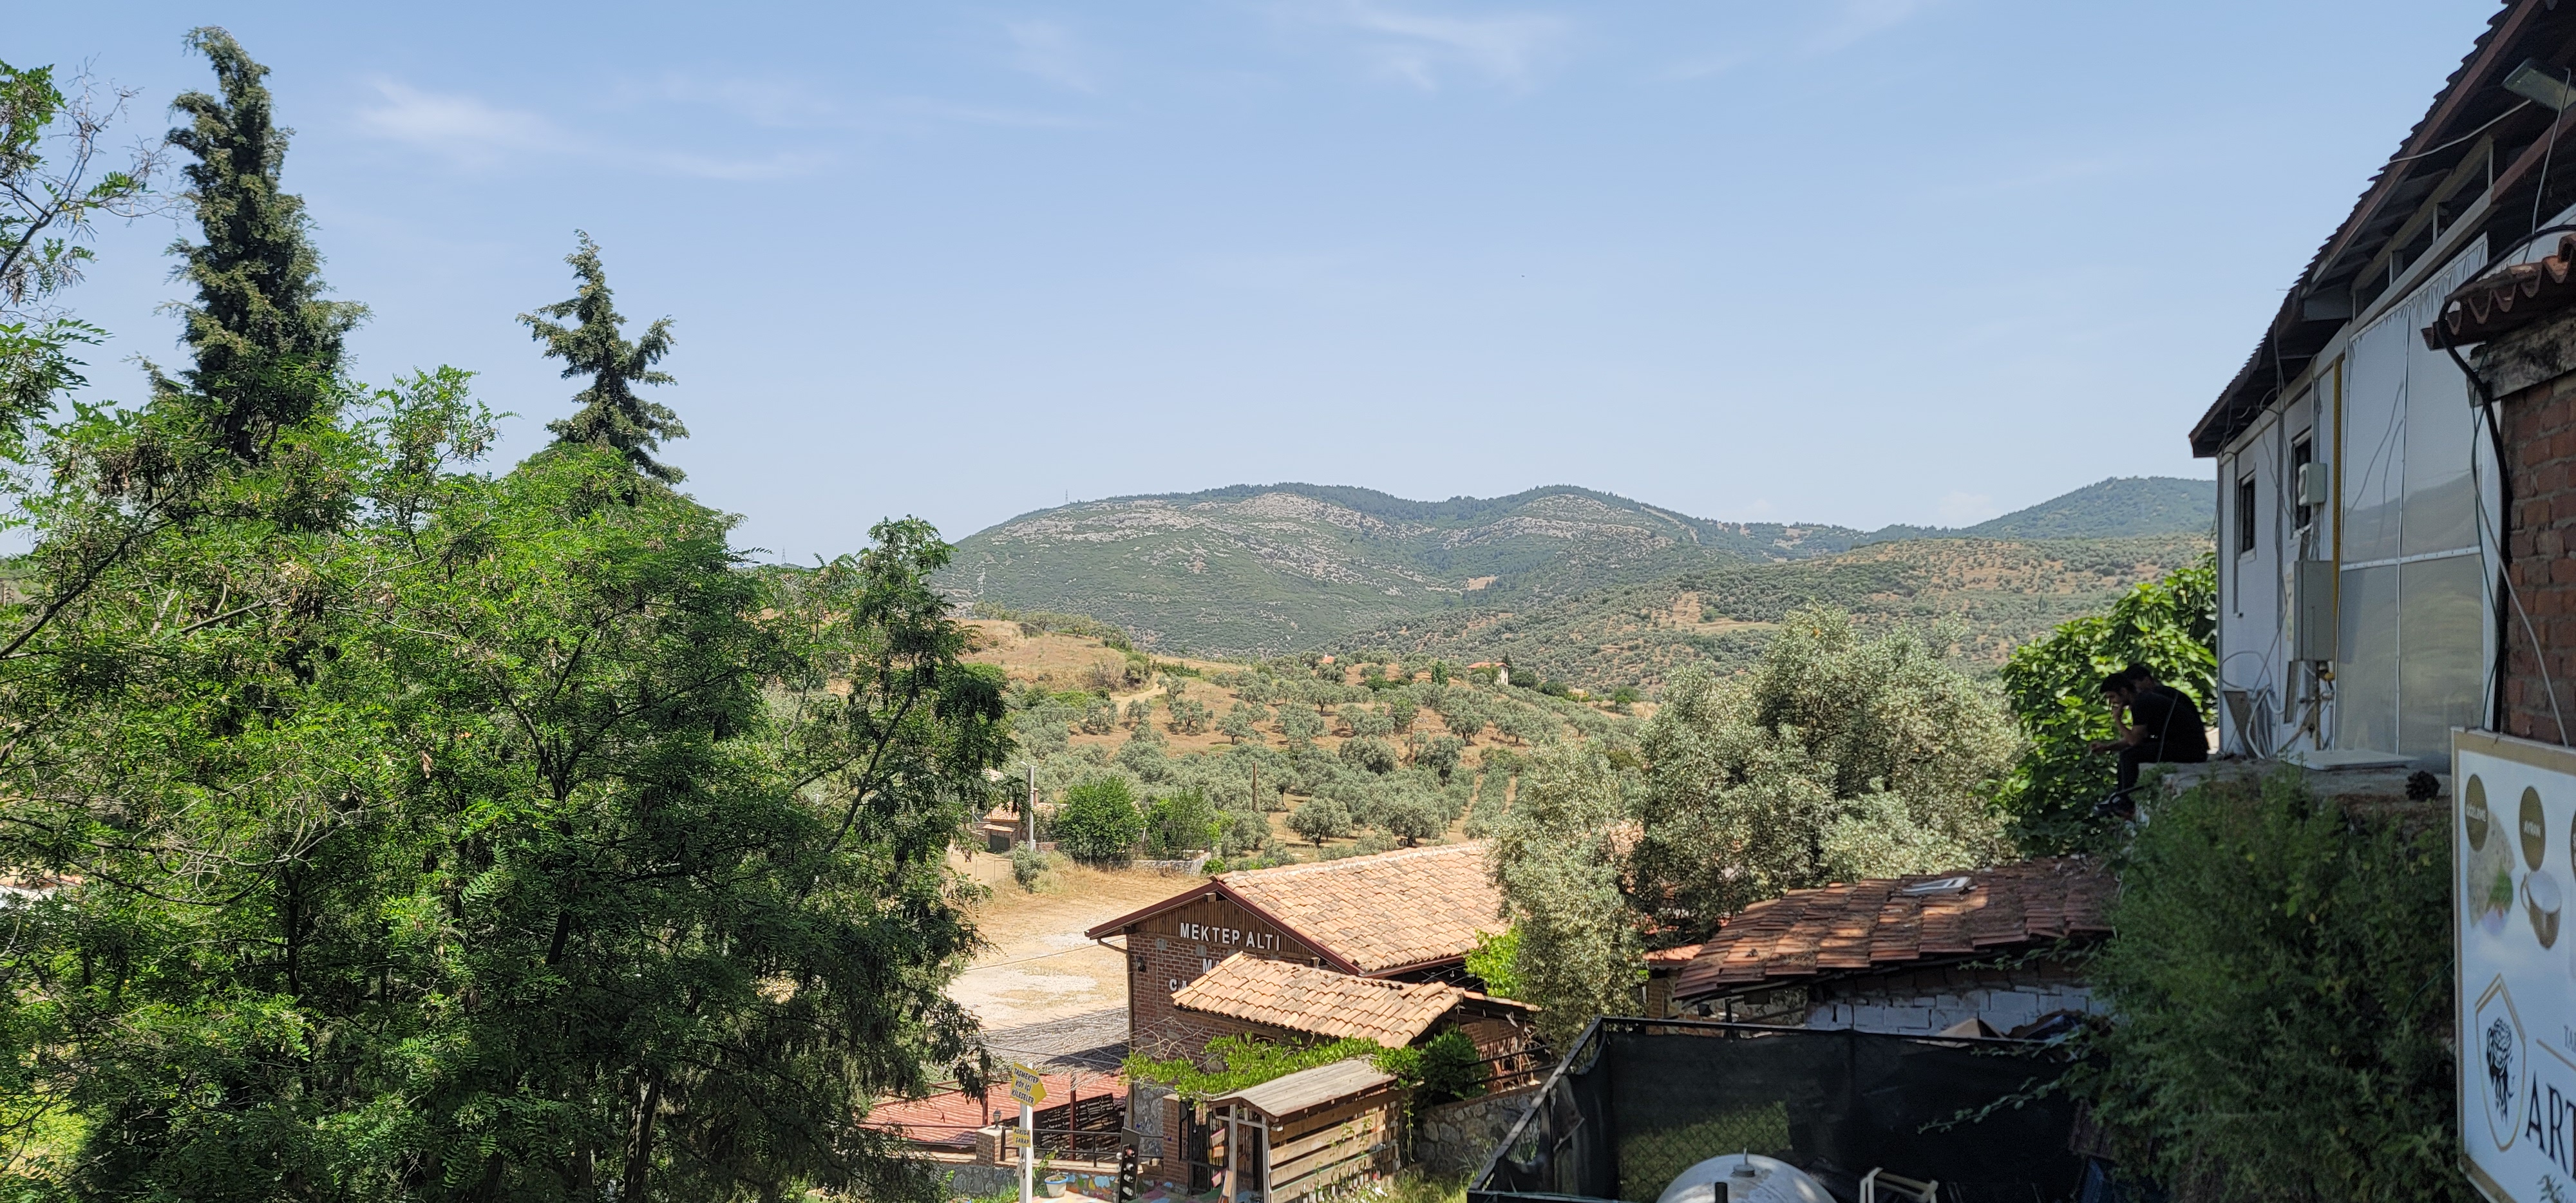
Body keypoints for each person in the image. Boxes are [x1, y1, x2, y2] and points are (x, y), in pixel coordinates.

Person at [2090, 667, 2208, 794]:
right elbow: (2136, 738)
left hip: (2191, 750)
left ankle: (2126, 799)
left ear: (2124, 691)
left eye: (2112, 697)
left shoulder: (2142, 703)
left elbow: (2134, 741)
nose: (2112, 702)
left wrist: (2118, 720)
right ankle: (2121, 795)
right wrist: (2107, 747)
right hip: (2184, 746)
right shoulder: (2142, 700)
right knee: (2128, 753)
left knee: (2129, 756)